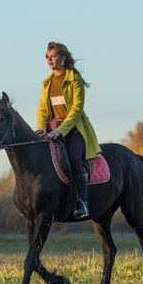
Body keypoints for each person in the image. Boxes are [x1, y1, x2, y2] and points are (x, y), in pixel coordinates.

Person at [36, 42, 101, 219]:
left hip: (74, 130)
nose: (50, 60)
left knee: (73, 158)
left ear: (63, 58)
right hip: (51, 130)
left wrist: (61, 131)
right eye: (47, 57)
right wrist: (41, 128)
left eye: (53, 56)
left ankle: (82, 202)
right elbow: (42, 109)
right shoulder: (47, 82)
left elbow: (77, 109)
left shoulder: (74, 79)